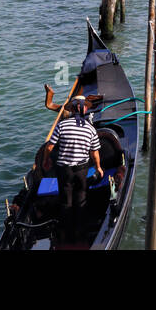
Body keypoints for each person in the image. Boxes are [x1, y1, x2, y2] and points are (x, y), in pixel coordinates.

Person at [42, 95, 103, 244]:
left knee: (65, 201)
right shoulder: (90, 129)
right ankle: (79, 233)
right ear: (85, 109)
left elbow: (50, 146)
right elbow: (94, 153)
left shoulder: (62, 125)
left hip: (64, 170)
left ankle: (64, 235)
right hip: (81, 170)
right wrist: (99, 168)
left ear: (72, 109)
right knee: (81, 199)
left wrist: (46, 160)